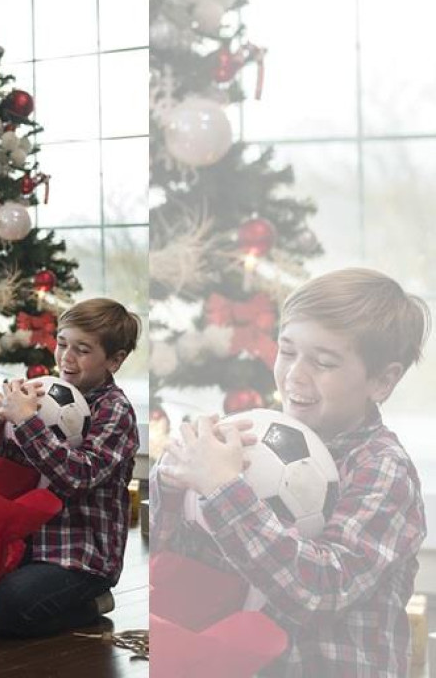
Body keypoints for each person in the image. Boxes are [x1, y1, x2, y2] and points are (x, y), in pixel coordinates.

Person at [153, 269, 431, 676]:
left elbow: (320, 591)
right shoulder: (250, 437)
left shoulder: (383, 469)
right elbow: (176, 556)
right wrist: (175, 483)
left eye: (323, 362)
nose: (295, 374)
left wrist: (224, 488)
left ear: (382, 381)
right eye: (287, 351)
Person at [0, 297, 140, 637]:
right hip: (26, 540)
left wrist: (26, 422)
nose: (66, 357)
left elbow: (79, 476)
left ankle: (93, 603)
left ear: (115, 359)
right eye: (62, 343)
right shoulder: (44, 391)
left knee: (11, 605)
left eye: (82, 350)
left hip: (80, 557)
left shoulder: (115, 411)